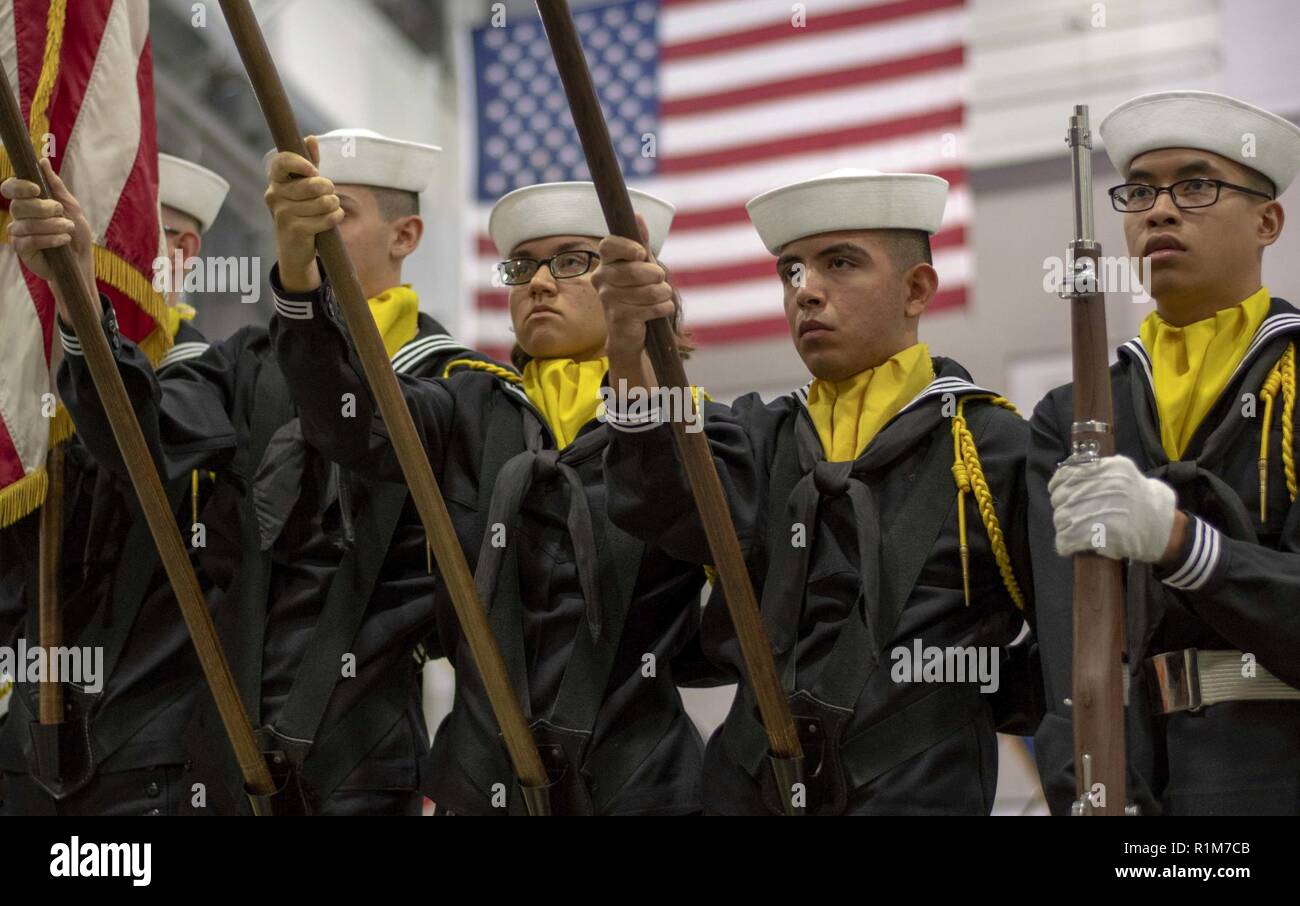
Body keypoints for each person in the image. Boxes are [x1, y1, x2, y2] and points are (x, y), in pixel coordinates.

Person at [17, 128, 490, 814]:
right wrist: (82, 306)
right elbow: (138, 446)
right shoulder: (244, 363)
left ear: (405, 235)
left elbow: (351, 422)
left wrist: (299, 291)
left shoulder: (460, 384)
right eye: (297, 209)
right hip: (221, 757)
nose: (311, 225)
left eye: (338, 211)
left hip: (364, 758)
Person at [594, 169, 1038, 815]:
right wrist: (627, 349)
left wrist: (958, 702)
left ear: (917, 289)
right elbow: (654, 496)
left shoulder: (993, 447)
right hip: (746, 791)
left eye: (840, 263)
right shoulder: (756, 436)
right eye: (791, 272)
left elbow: (1063, 644)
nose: (807, 292)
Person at [270, 179, 708, 815]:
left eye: (573, 261)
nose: (537, 281)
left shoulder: (697, 429)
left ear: (643, 283)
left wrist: (633, 362)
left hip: (639, 785)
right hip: (479, 784)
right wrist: (298, 276)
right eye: (523, 266)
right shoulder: (466, 410)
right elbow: (348, 419)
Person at [1031, 90, 1300, 816]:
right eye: (1141, 191)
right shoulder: (1072, 414)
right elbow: (1067, 657)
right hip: (1136, 785)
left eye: (1196, 185)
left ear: (1267, 220)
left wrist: (1186, 547)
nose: (1159, 210)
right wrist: (1099, 798)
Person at [0, 152, 229, 815]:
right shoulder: (21, 393)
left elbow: (134, 439)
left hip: (150, 761)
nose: (72, 249)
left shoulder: (215, 377)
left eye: (106, 238)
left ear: (180, 252)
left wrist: (79, 311)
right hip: (21, 755)